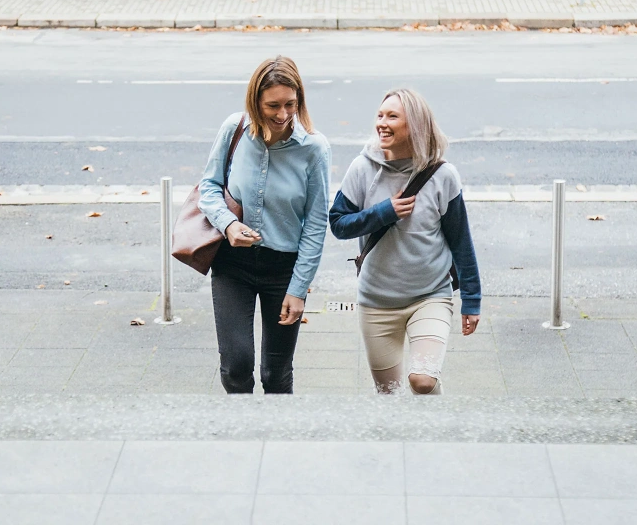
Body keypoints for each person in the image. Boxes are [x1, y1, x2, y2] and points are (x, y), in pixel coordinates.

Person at [329, 88, 481, 395]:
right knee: (390, 396)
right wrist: (384, 212)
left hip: (430, 296)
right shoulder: (362, 169)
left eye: (392, 116)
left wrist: (472, 298)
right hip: (376, 301)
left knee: (423, 381)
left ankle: (437, 434)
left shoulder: (442, 175)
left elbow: (461, 240)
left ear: (414, 124)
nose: (382, 123)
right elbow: (338, 225)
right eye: (380, 115)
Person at [198, 56, 331, 394]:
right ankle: (242, 439)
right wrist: (228, 225)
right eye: (273, 105)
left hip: (283, 270)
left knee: (276, 373)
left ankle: (277, 443)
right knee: (236, 365)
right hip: (233, 264)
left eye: (290, 104)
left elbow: (316, 223)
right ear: (255, 101)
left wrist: (299, 290)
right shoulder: (235, 129)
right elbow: (209, 187)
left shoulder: (314, 149)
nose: (283, 115)